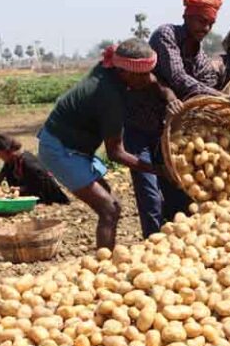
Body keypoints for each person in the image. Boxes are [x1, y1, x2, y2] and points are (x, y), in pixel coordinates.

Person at [37, 38, 161, 249]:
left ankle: (108, 258)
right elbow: (115, 153)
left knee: (113, 205)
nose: (147, 79)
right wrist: (158, 170)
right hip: (60, 149)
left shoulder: (112, 68)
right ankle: (104, 264)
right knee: (109, 209)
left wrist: (168, 95)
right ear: (124, 72)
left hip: (76, 146)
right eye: (141, 75)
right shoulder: (110, 95)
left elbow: (150, 80)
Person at [128, 0, 223, 234]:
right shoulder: (165, 36)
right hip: (140, 126)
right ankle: (151, 242)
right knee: (150, 195)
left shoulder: (201, 60)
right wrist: (223, 98)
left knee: (179, 193)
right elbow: (178, 78)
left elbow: (203, 88)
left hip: (171, 134)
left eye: (210, 23)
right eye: (201, 20)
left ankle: (176, 243)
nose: (205, 28)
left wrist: (220, 102)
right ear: (186, 16)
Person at [0, 134, 69, 205]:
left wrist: (21, 189)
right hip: (30, 189)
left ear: (8, 152)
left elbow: (40, 184)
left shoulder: (29, 164)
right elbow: (2, 173)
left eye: (0, 154)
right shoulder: (11, 160)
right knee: (9, 173)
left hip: (46, 195)